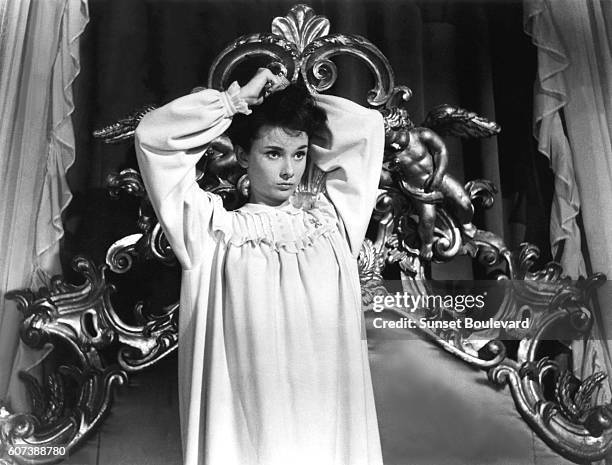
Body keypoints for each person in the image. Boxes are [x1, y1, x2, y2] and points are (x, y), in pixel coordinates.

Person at [135, 67, 385, 465]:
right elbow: (153, 137)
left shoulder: (333, 227)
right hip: (246, 441)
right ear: (244, 156)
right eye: (273, 153)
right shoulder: (211, 234)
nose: (289, 170)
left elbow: (368, 128)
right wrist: (237, 102)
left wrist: (296, 98)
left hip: (325, 440)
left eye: (299, 154)